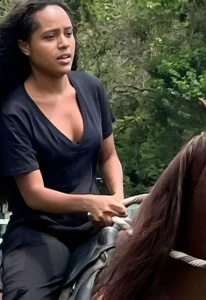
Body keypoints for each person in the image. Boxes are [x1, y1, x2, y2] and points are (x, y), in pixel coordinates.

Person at [0, 0, 127, 299]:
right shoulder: (14, 112)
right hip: (39, 234)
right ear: (25, 46)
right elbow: (34, 193)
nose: (64, 44)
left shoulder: (92, 87)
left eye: (68, 33)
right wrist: (91, 204)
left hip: (98, 225)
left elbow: (109, 156)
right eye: (50, 36)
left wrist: (115, 199)